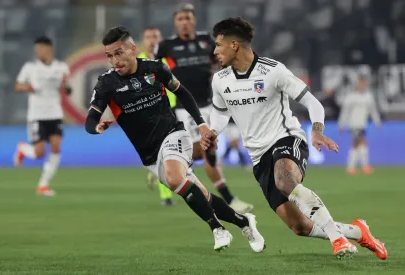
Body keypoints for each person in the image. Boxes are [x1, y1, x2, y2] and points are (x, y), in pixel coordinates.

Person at [201, 17, 387, 260]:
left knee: (286, 183)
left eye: (218, 45)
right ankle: (357, 232)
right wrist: (214, 131)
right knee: (300, 227)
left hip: (286, 139)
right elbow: (221, 114)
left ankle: (338, 240)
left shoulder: (273, 70)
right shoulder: (220, 80)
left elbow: (312, 102)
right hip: (258, 157)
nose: (214, 51)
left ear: (234, 44)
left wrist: (317, 130)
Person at [86, 26, 265, 252]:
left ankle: (217, 229)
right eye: (110, 56)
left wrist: (200, 124)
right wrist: (97, 127)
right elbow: (90, 118)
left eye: (119, 53)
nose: (115, 60)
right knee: (201, 195)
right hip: (149, 155)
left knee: (173, 178)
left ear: (133, 49)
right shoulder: (106, 83)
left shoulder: (155, 69)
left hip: (173, 134)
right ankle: (244, 222)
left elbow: (182, 92)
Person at [155, 3, 253, 213]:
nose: (185, 22)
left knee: (208, 151)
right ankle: (227, 198)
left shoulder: (205, 41)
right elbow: (155, 73)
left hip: (210, 103)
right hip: (185, 107)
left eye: (188, 18)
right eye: (180, 19)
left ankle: (168, 161)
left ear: (194, 20)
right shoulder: (167, 46)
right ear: (175, 22)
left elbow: (221, 60)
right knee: (205, 150)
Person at [13, 36, 72, 196]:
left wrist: (66, 85)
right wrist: (28, 88)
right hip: (37, 115)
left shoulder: (61, 67)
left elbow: (68, 90)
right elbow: (18, 86)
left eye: (41, 48)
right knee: (39, 153)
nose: (38, 52)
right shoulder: (30, 68)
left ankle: (43, 185)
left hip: (55, 113)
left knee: (56, 147)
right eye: (36, 49)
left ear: (49, 49)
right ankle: (23, 149)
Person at [138, 26, 177, 206]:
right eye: (148, 37)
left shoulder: (169, 60)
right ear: (143, 40)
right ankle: (166, 197)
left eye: (155, 36)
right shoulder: (138, 62)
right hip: (153, 112)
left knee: (177, 153)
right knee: (165, 153)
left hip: (175, 110)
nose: (152, 40)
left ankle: (155, 171)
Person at [338, 75, 381, 175]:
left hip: (363, 124)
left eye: (364, 83)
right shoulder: (351, 97)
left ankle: (352, 167)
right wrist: (341, 124)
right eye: (360, 83)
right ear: (357, 84)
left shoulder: (368, 96)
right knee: (361, 143)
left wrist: (377, 121)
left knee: (357, 145)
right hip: (353, 124)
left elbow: (373, 110)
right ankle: (363, 166)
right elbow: (345, 111)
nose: (362, 85)